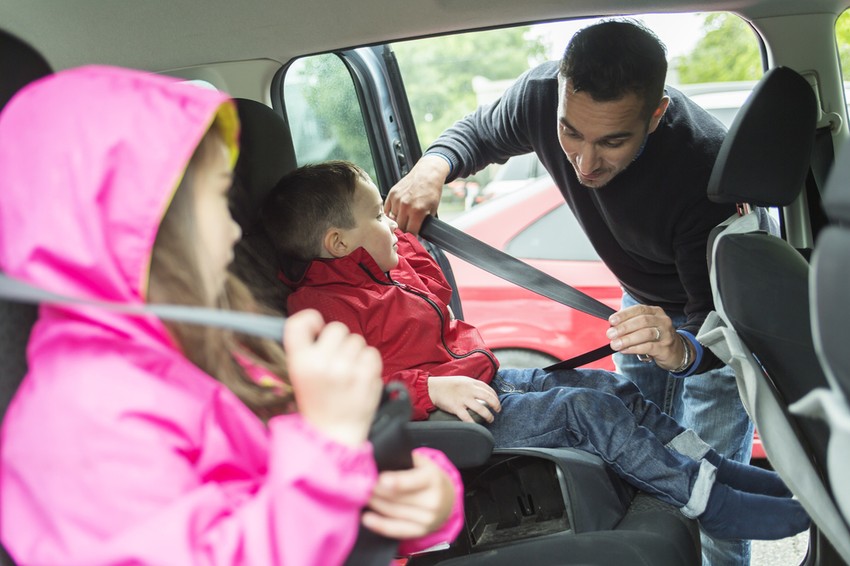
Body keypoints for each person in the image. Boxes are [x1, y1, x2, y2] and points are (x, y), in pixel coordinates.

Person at [0, 66, 463, 565]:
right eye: (221, 200)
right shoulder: (80, 423)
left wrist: (422, 492)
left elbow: (301, 482)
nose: (232, 231)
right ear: (143, 224)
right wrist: (328, 447)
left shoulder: (215, 350)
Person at [258, 160, 809, 545]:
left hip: (483, 381)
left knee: (614, 387)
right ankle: (710, 502)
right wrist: (430, 390)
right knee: (582, 411)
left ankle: (712, 467)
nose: (389, 224)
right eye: (377, 215)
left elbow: (434, 290)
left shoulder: (379, 269)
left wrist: (400, 237)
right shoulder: (322, 308)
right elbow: (340, 391)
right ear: (338, 243)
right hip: (446, 417)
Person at [384, 19, 760, 564]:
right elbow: (477, 134)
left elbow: (715, 331)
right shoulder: (541, 96)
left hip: (709, 322)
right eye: (570, 134)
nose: (584, 162)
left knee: (709, 494)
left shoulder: (704, 170)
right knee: (640, 470)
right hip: (636, 309)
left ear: (655, 116)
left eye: (612, 141)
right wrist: (432, 166)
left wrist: (684, 350)